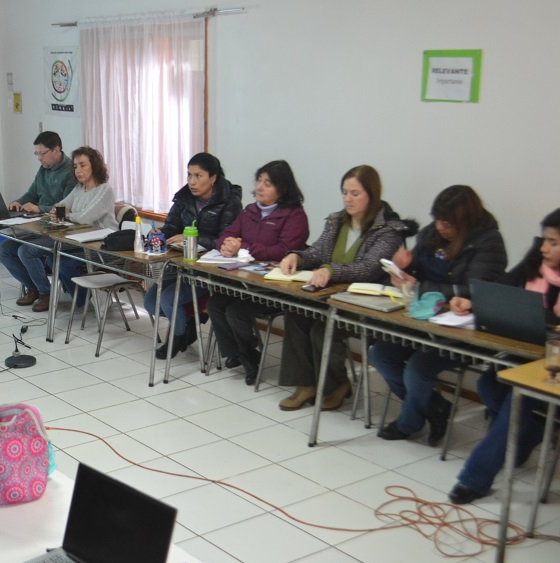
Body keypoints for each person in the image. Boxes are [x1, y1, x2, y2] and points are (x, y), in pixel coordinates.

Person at [369, 185, 507, 444]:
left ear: (465, 221)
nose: (440, 227)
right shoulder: (433, 233)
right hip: (423, 318)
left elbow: (473, 290)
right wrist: (405, 267)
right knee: (380, 355)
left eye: (447, 222)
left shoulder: (489, 242)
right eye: (437, 220)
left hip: (461, 327)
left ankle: (408, 423)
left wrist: (418, 287)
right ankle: (436, 408)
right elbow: (419, 272)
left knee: (418, 370)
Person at [443, 210, 560, 503]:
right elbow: (504, 287)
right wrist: (473, 301)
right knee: (489, 385)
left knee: (516, 402)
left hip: (553, 366)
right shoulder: (538, 258)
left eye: (554, 242)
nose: (544, 247)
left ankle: (475, 477)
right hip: (528, 351)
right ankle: (529, 435)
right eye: (545, 240)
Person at [276, 165, 407, 411]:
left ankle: (336, 386)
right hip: (330, 297)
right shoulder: (337, 221)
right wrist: (297, 257)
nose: (348, 199)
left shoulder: (389, 230)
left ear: (372, 194)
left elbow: (369, 268)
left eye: (355, 193)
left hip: (365, 302)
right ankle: (306, 385)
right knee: (295, 314)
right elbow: (318, 251)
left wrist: (331, 271)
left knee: (321, 328)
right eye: (345, 192)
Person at [207, 160, 310, 382]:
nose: (260, 187)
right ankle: (238, 353)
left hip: (274, 286)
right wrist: (226, 244)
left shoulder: (294, 215)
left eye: (268, 183)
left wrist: (244, 247)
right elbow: (228, 234)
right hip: (245, 281)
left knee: (236, 312)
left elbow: (285, 251)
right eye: (260, 181)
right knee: (214, 304)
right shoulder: (250, 211)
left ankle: (248, 356)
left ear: (282, 189)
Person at [144, 152, 242, 359]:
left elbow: (225, 241)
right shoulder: (184, 198)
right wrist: (160, 233)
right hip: (180, 264)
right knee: (151, 302)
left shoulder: (230, 201)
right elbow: (171, 226)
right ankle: (187, 326)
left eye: (198, 176)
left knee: (169, 299)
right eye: (189, 175)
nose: (192, 181)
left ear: (213, 177)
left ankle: (176, 338)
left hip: (209, 270)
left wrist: (192, 237)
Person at [0, 131, 77, 311]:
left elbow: (66, 207)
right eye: (37, 153)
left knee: (26, 251)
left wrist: (39, 208)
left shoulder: (71, 172)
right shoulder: (44, 169)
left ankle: (46, 293)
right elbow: (32, 193)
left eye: (42, 153)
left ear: (56, 150)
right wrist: (19, 202)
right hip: (39, 226)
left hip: (61, 230)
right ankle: (32, 287)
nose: (39, 158)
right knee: (3, 250)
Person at [44, 145, 119, 306]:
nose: (78, 170)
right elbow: (59, 206)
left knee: (65, 264)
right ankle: (81, 297)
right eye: (75, 166)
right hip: (82, 241)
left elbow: (86, 218)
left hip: (103, 247)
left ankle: (83, 300)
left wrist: (66, 214)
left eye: (83, 165)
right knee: (52, 259)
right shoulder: (79, 188)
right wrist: (61, 212)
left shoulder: (104, 189)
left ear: (94, 165)